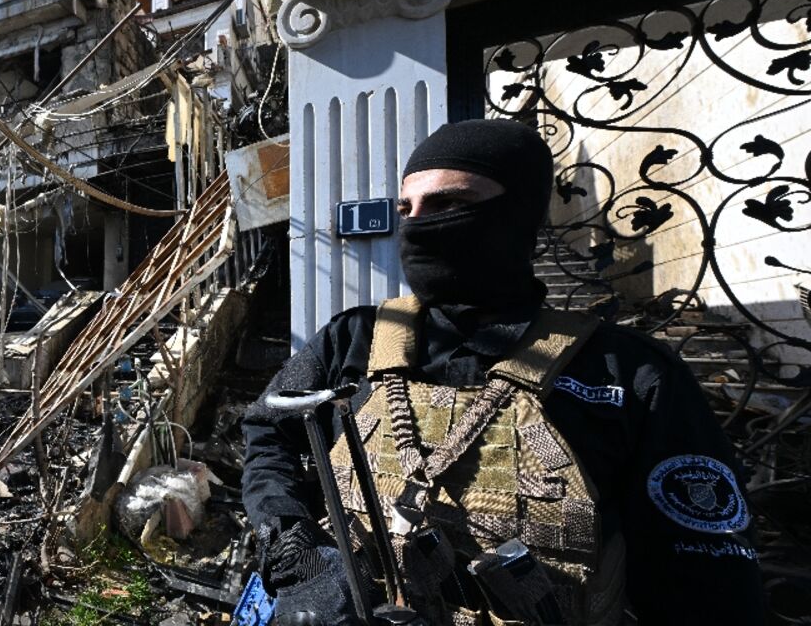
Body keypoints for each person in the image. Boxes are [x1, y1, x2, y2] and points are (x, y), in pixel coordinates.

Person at [241, 119, 764, 625]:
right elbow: (269, 433)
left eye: (449, 204)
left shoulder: (629, 374)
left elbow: (704, 585)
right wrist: (294, 545)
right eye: (408, 208)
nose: (419, 223)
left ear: (518, 215)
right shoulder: (352, 339)